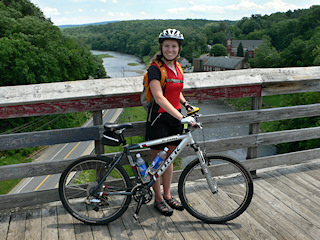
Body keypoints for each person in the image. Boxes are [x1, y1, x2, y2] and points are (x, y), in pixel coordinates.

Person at [145, 28, 196, 216]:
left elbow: (176, 90)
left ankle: (167, 195)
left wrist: (186, 104)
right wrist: (181, 116)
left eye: (174, 46)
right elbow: (159, 97)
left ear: (178, 48)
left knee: (169, 160)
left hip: (174, 117)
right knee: (157, 162)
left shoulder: (178, 67)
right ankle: (157, 199)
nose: (170, 49)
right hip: (158, 119)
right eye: (166, 46)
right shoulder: (155, 68)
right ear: (162, 47)